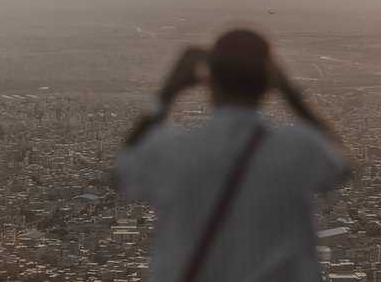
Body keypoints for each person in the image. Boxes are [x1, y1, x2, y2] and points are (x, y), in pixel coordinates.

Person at [117, 29, 351, 282]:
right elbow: (342, 165)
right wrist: (292, 95)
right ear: (267, 83)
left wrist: (168, 91)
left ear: (211, 82)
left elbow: (122, 171)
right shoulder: (298, 148)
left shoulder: (170, 149)